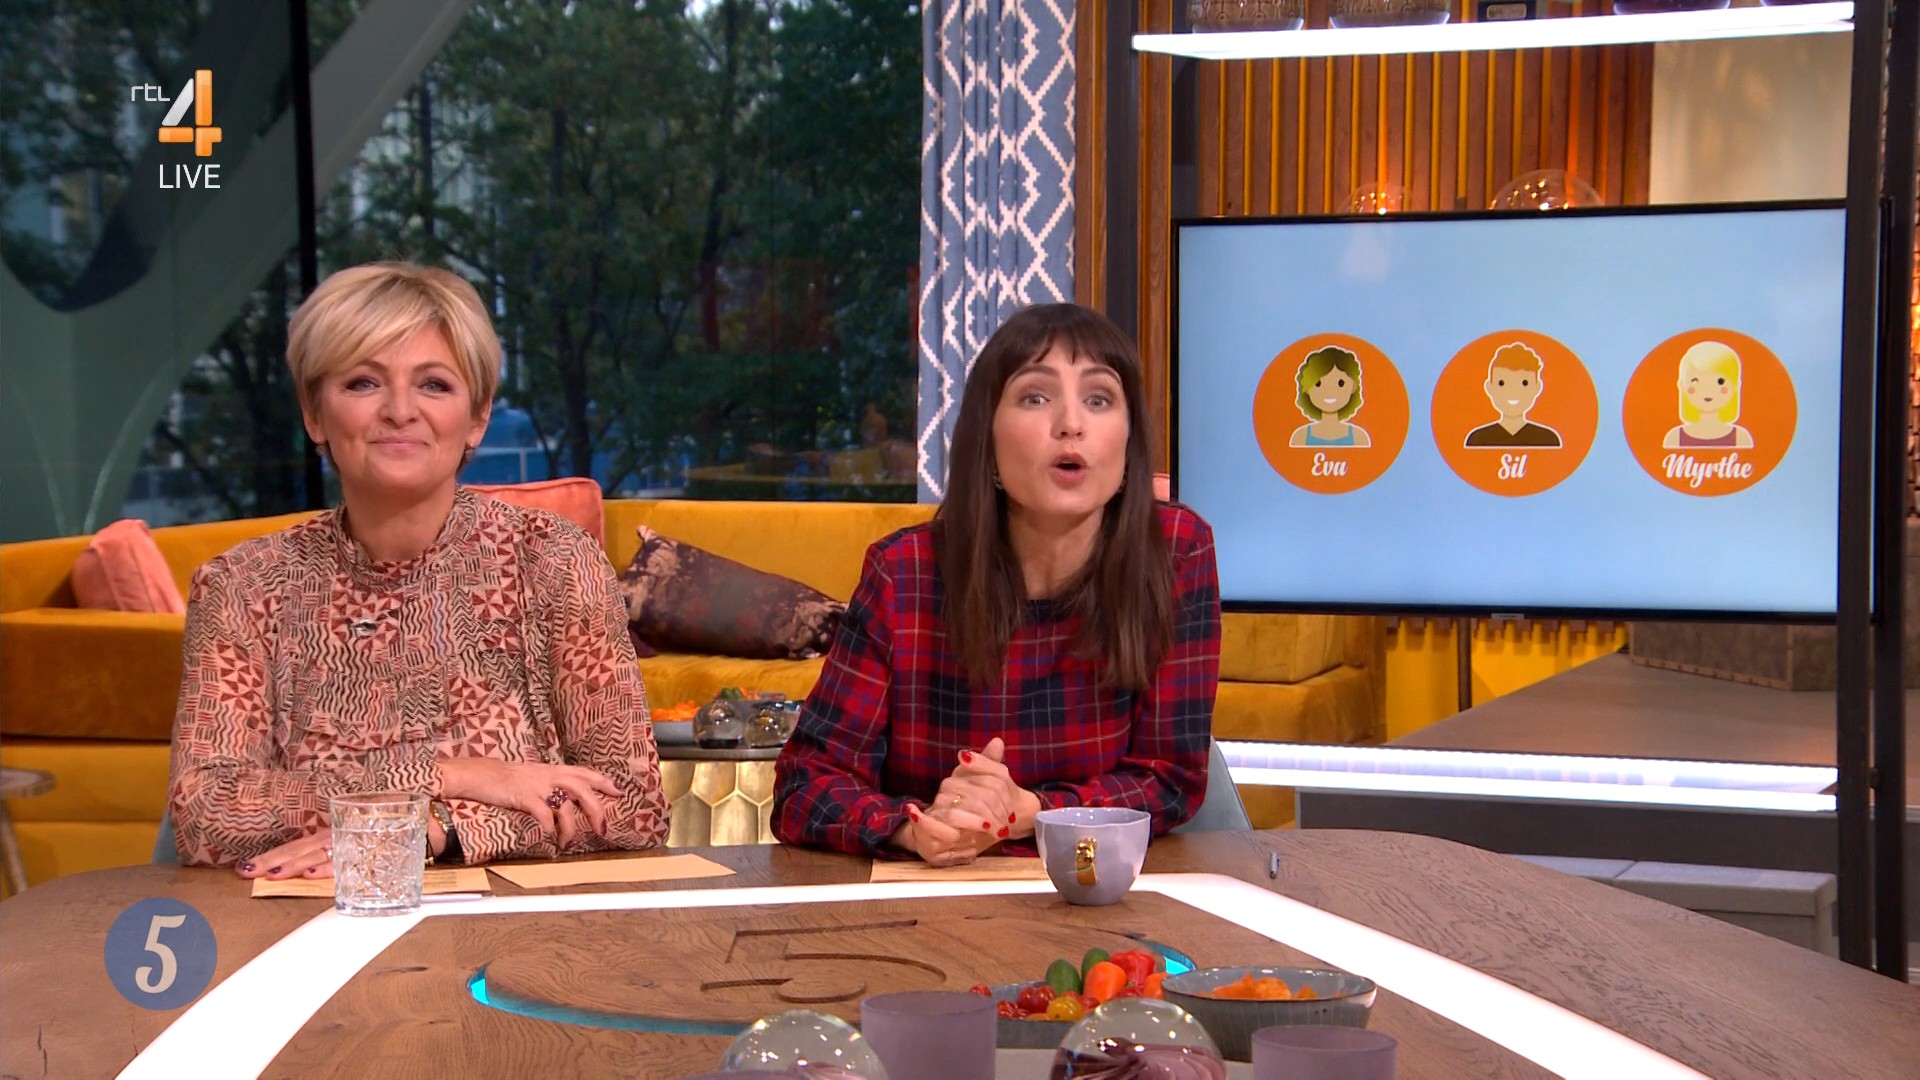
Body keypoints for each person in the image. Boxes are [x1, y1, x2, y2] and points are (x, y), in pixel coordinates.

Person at [168, 262, 668, 878]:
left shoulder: (554, 560)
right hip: (312, 920)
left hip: (519, 920)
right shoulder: (243, 586)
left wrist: (429, 831)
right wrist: (454, 774)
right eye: (363, 383)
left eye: (433, 384)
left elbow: (632, 807)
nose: (400, 410)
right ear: (314, 414)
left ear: (477, 418)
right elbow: (206, 813)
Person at [772, 302, 1221, 866]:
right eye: (1035, 397)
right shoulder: (904, 572)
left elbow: (1171, 779)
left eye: (1099, 399)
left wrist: (1031, 811)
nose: (1071, 423)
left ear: (1129, 445)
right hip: (935, 892)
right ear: (986, 441)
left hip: (1095, 884)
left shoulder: (1177, 550)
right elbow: (805, 784)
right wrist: (914, 827)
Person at [1464, 341, 1562, 449]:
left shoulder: (1548, 440)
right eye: (1501, 383)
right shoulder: (1478, 440)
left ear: (1537, 387)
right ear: (1489, 387)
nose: (1513, 392)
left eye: (1524, 383)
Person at [1662, 340, 1755, 450]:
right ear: (1682, 386)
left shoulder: (1740, 438)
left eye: (1720, 382)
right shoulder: (1674, 438)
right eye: (1695, 381)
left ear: (1735, 386)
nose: (1707, 390)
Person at [1287, 345, 1373, 448]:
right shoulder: (1300, 437)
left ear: (1353, 387)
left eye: (1340, 383)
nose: (1330, 391)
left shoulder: (1359, 438)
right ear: (1307, 389)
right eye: (1318, 384)